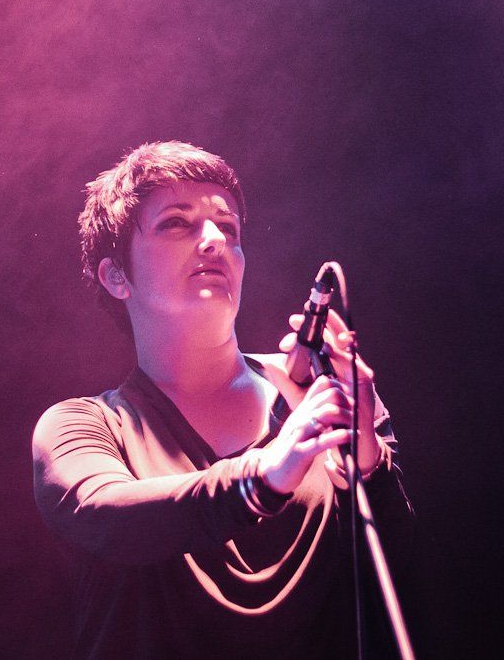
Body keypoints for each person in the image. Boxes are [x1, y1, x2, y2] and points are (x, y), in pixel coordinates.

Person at [32, 141, 413, 658]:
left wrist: (368, 463)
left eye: (228, 228)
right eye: (177, 223)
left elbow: (403, 575)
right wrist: (265, 474)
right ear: (116, 275)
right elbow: (107, 515)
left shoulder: (324, 394)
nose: (214, 240)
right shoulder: (81, 424)